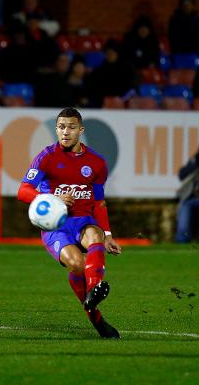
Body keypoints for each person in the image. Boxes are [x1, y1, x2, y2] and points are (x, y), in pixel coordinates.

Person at [17, 107, 122, 339]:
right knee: (76, 264)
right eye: (61, 127)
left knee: (95, 236)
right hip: (55, 226)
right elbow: (23, 191)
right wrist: (52, 198)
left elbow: (99, 201)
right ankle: (95, 316)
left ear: (81, 130)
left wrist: (107, 234)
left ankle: (94, 288)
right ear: (56, 129)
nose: (65, 132)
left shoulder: (96, 163)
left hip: (84, 220)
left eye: (71, 127)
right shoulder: (46, 157)